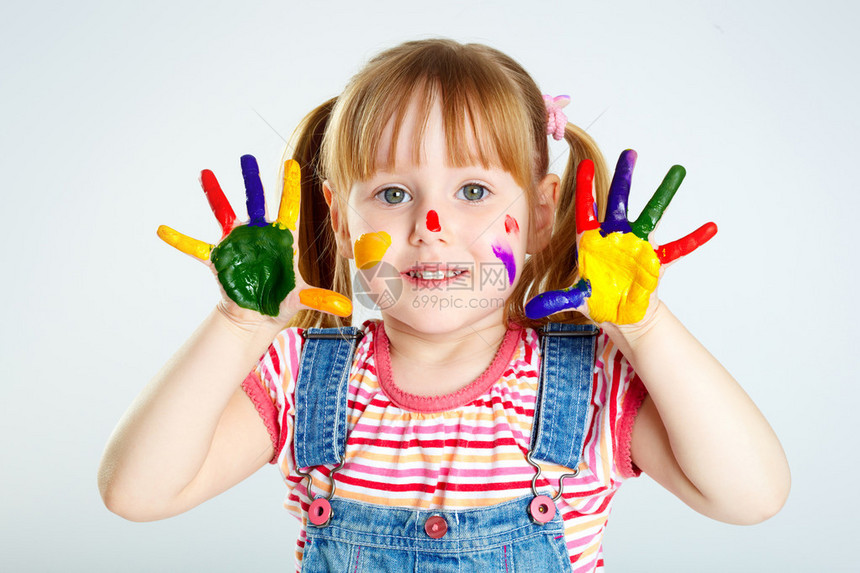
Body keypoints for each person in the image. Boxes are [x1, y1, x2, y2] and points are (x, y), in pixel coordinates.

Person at [98, 39, 790, 572]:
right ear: (340, 219)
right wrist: (237, 325)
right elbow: (137, 492)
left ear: (543, 211)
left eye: (474, 192)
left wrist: (647, 328)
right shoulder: (302, 375)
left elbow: (752, 495)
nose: (431, 224)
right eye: (394, 194)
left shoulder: (593, 387)